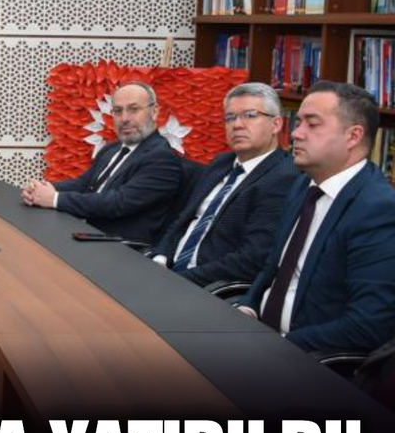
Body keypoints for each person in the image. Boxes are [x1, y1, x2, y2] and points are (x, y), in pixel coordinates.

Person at [238, 81, 395, 353]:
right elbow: (273, 267)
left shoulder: (379, 209)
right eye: (298, 122)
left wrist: (276, 347)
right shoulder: (304, 184)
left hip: (307, 357)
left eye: (312, 124)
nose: (296, 133)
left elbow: (368, 325)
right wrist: (247, 307)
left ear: (353, 136)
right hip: (258, 335)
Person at [151, 82, 301, 285]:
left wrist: (177, 281)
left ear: (276, 125)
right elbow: (182, 220)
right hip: (166, 273)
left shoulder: (284, 176)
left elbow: (251, 260)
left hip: (208, 288)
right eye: (230, 117)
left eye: (250, 115)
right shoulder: (221, 163)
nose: (237, 125)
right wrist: (159, 259)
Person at [22, 81, 181, 244]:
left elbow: (118, 203)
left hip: (118, 246)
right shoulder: (112, 148)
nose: (124, 118)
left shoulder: (162, 158)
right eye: (117, 111)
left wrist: (55, 199)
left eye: (133, 109)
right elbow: (84, 183)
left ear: (154, 112)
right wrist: (42, 189)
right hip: (85, 233)